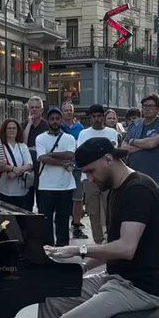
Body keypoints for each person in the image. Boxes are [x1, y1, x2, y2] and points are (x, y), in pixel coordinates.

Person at [10, 137, 159, 318]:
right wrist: (78, 268)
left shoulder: (138, 190)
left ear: (109, 159)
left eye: (91, 171)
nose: (90, 179)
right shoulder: (117, 188)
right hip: (114, 279)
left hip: (139, 288)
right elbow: (111, 248)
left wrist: (78, 250)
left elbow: (126, 248)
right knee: (51, 297)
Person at [123, 93, 159, 266]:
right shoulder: (136, 124)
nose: (148, 109)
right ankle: (141, 251)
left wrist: (134, 141)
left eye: (151, 106)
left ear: (158, 109)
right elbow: (124, 148)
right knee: (136, 214)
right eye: (145, 106)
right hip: (134, 176)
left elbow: (152, 143)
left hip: (156, 177)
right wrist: (143, 144)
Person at [76, 105, 119, 244]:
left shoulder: (112, 133)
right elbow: (80, 156)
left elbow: (113, 156)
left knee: (110, 210)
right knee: (93, 211)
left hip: (108, 178)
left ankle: (111, 238)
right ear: (90, 118)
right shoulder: (83, 134)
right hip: (90, 178)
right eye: (94, 116)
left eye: (99, 116)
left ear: (103, 117)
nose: (97, 119)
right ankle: (98, 241)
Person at [35, 107, 77, 246]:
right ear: (48, 121)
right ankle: (47, 248)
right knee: (45, 219)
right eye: (52, 119)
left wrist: (51, 154)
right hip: (46, 185)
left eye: (57, 119)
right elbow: (42, 158)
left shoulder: (69, 138)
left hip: (66, 185)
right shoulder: (40, 138)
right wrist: (63, 162)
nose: (55, 121)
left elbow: (71, 155)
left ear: (61, 121)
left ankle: (63, 248)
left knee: (63, 219)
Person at [60, 101, 86, 239]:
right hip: (62, 168)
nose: (68, 112)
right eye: (66, 110)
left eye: (70, 110)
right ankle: (62, 223)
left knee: (78, 198)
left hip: (78, 168)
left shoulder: (80, 128)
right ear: (62, 112)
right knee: (63, 198)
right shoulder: (58, 127)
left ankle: (76, 225)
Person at [0, 119, 34, 209]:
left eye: (14, 128)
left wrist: (15, 172)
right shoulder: (0, 146)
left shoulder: (22, 146)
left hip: (21, 189)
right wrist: (12, 168)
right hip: (4, 189)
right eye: (9, 128)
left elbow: (29, 164)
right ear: (5, 130)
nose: (12, 130)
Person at [21, 96, 48, 198]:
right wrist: (29, 124)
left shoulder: (47, 126)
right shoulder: (23, 125)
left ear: (42, 110)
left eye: (37, 107)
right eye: (32, 108)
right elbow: (23, 143)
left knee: (42, 198)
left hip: (42, 167)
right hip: (28, 167)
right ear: (28, 109)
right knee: (27, 199)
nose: (34, 110)